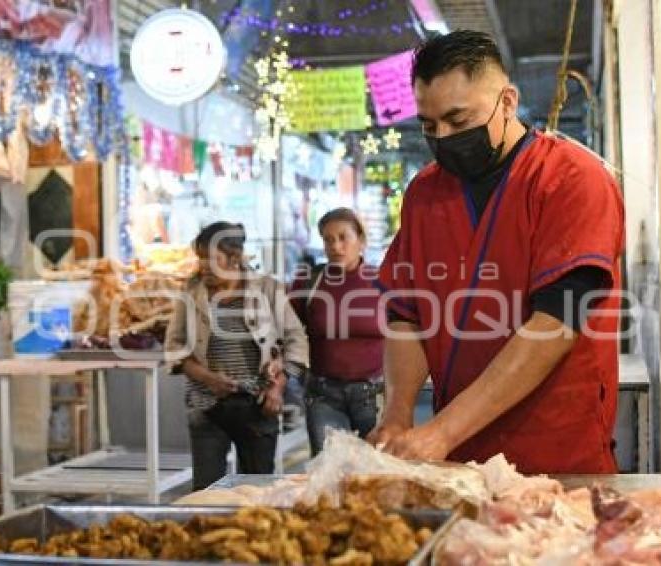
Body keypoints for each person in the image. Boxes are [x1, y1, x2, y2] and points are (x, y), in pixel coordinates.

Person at [368, 30, 624, 474]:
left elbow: (555, 322)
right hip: (456, 458)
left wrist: (441, 431)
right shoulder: (425, 193)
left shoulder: (571, 179)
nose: (443, 137)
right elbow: (406, 313)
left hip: (556, 453)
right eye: (429, 126)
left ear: (507, 102)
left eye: (458, 120)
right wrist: (397, 415)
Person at [164, 222, 308, 489]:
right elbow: (174, 346)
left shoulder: (267, 289)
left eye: (212, 258)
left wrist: (278, 387)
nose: (204, 265)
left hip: (258, 405)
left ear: (234, 258)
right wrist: (207, 378)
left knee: (258, 493)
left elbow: (296, 340)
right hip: (207, 406)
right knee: (207, 493)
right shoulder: (190, 292)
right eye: (201, 258)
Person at [291, 208, 384, 455]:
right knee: (327, 475)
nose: (336, 246)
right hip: (324, 395)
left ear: (361, 241)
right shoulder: (309, 283)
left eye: (344, 237)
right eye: (328, 239)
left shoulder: (383, 282)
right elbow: (286, 331)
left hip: (373, 395)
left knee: (378, 475)